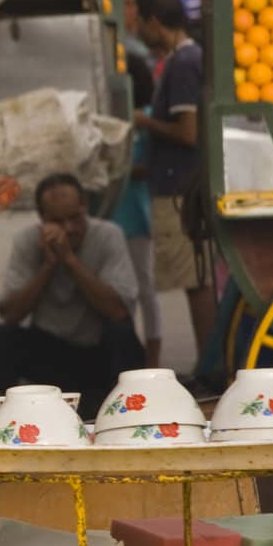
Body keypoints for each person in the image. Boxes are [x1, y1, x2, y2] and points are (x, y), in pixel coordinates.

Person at [0, 174, 146, 413]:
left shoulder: (107, 235)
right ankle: (0, 415)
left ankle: (128, 411)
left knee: (122, 334)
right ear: (43, 219)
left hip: (97, 351)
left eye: (74, 218)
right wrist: (48, 266)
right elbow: (11, 314)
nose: (68, 229)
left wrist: (70, 261)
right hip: (50, 350)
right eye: (58, 221)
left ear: (85, 208)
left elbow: (118, 310)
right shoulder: (28, 241)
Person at [135, 0, 215, 356]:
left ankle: (209, 363)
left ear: (154, 21)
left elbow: (188, 132)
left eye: (140, 21)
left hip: (180, 188)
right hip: (177, 182)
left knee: (194, 280)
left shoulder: (184, 63)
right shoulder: (185, 58)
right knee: (194, 279)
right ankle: (210, 361)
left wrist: (144, 122)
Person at [112, 51, 161, 367]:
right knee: (128, 289)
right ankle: (131, 353)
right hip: (123, 210)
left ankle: (151, 358)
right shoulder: (123, 119)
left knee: (143, 288)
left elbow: (149, 165)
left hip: (135, 212)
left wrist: (122, 167)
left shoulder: (144, 118)